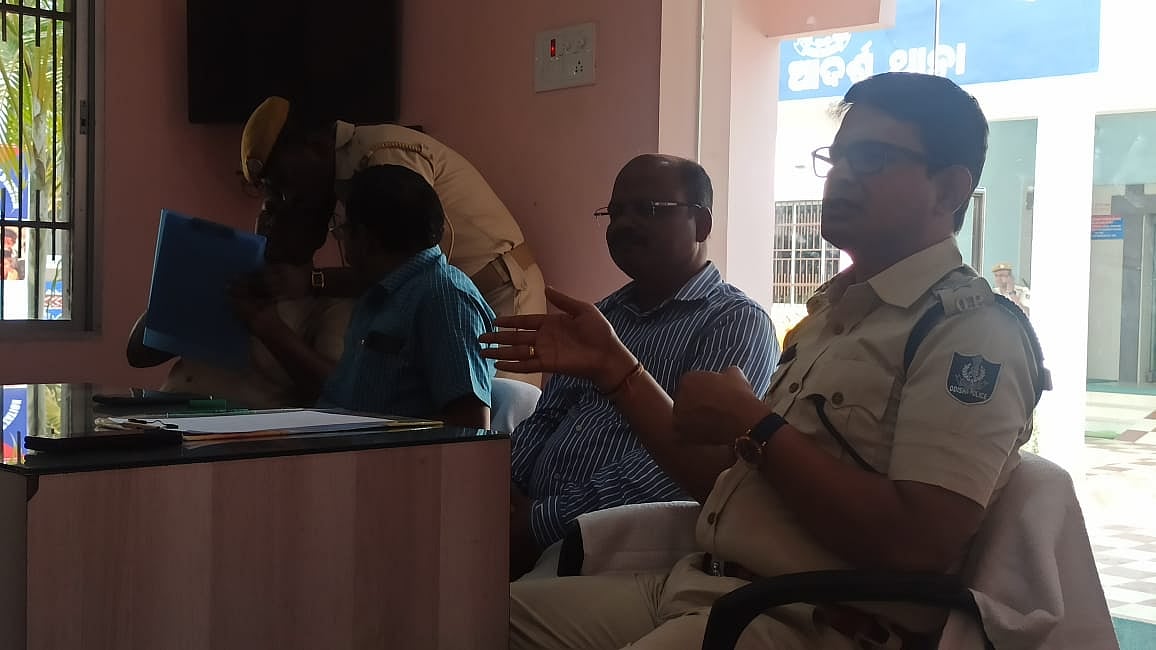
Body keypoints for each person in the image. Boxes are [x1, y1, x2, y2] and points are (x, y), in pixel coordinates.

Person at [503, 72, 1047, 649]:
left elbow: (919, 542)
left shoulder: (971, 333)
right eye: (836, 158)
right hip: (704, 585)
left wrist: (758, 424)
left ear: (950, 190)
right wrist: (618, 370)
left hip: (800, 617)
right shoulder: (831, 319)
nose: (841, 176)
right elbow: (721, 482)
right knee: (465, 613)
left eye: (871, 159)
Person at [480, 154, 778, 579]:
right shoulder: (602, 315)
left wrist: (539, 523)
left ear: (701, 224)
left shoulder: (733, 323)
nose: (624, 224)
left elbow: (679, 469)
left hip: (625, 549)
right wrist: (502, 494)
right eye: (616, 211)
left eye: (648, 210)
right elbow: (546, 417)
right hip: (527, 526)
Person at [239, 96, 547, 386]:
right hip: (452, 307)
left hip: (498, 295)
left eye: (285, 180)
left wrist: (312, 281)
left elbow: (403, 269)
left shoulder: (384, 157)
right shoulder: (337, 176)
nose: (288, 194)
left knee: (501, 418)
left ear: (316, 146)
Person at [236, 163, 495, 429]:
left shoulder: (446, 300)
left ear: (367, 240)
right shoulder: (379, 296)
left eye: (345, 229)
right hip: (337, 442)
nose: (342, 241)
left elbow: (470, 426)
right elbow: (343, 398)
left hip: (380, 454)